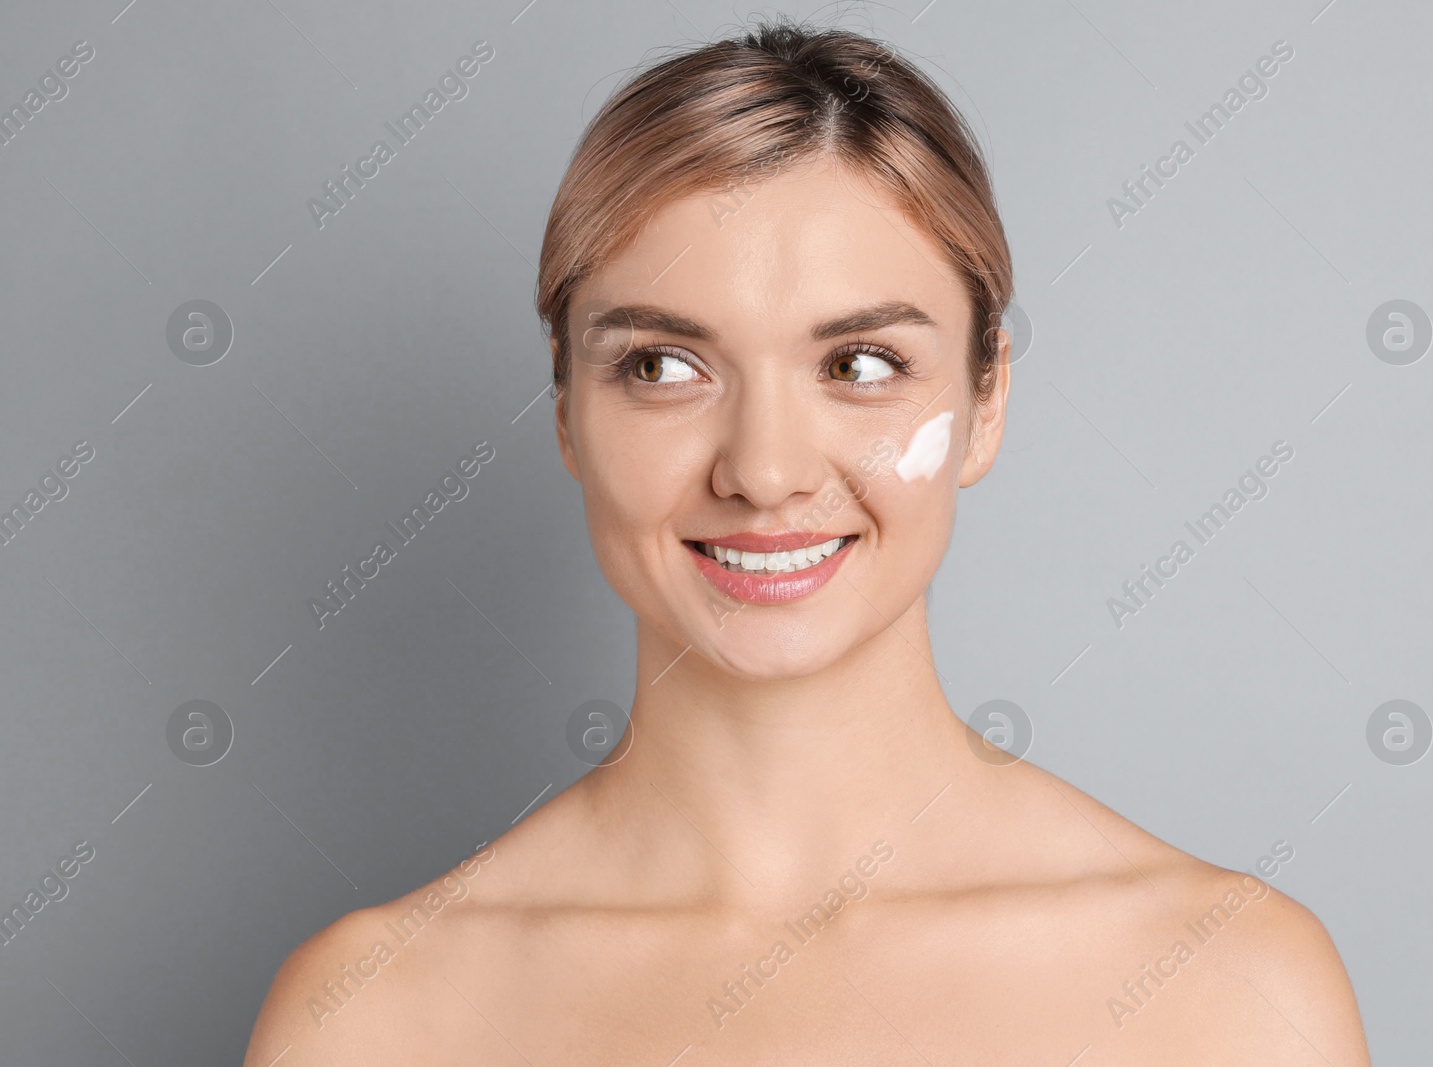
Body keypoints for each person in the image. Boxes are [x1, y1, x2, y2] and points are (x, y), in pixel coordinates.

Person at [245, 17, 1370, 1064]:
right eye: (663, 366)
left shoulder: (1228, 992)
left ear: (985, 403)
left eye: (861, 365)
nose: (765, 470)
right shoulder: (374, 1014)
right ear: (565, 415)